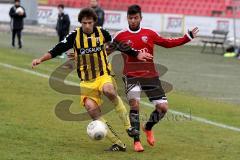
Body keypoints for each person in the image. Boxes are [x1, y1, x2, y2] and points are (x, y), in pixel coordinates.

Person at [32, 8, 152, 152]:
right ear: (80, 23)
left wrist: (136, 54)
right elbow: (57, 49)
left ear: (94, 22)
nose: (87, 25)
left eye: (89, 22)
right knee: (92, 110)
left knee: (110, 91)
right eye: (84, 23)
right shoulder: (74, 36)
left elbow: (119, 45)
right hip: (86, 81)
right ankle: (118, 143)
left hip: (103, 75)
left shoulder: (102, 32)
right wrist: (40, 59)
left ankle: (129, 127)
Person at [113, 4, 199, 152]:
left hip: (150, 76)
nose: (133, 20)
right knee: (134, 105)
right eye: (130, 18)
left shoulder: (150, 33)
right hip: (131, 76)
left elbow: (167, 43)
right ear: (127, 18)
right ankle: (137, 141)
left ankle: (147, 127)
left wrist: (187, 37)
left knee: (163, 108)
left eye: (136, 18)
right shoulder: (119, 36)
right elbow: (105, 50)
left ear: (141, 18)